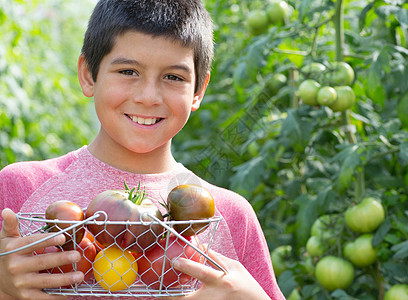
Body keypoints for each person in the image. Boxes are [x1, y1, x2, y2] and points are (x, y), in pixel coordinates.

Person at [0, 0, 286, 300]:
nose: (149, 97)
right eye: (128, 71)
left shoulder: (230, 215)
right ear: (88, 75)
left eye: (173, 77)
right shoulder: (21, 188)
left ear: (198, 90)